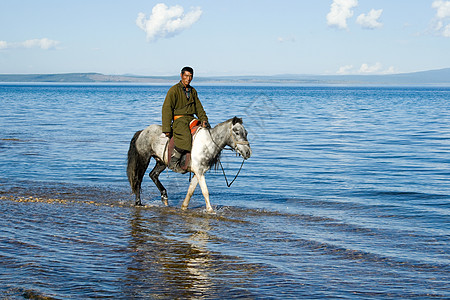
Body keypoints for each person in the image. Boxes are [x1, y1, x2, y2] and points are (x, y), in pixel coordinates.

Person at [162, 66, 209, 173]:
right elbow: (166, 109)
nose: (188, 78)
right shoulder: (173, 90)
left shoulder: (193, 91)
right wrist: (167, 128)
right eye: (186, 76)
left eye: (190, 76)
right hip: (179, 120)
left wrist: (204, 119)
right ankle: (173, 162)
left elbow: (199, 107)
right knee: (186, 137)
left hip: (191, 119)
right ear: (181, 76)